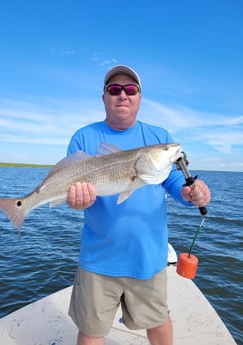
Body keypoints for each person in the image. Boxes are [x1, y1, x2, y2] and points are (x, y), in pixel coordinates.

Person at [66, 65, 211, 345]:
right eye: (114, 89)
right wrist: (75, 201)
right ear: (104, 97)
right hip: (98, 259)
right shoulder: (83, 137)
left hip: (148, 257)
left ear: (140, 98)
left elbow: (172, 183)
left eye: (130, 90)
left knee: (158, 321)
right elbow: (74, 193)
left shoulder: (158, 137)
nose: (123, 95)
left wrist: (191, 194)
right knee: (91, 331)